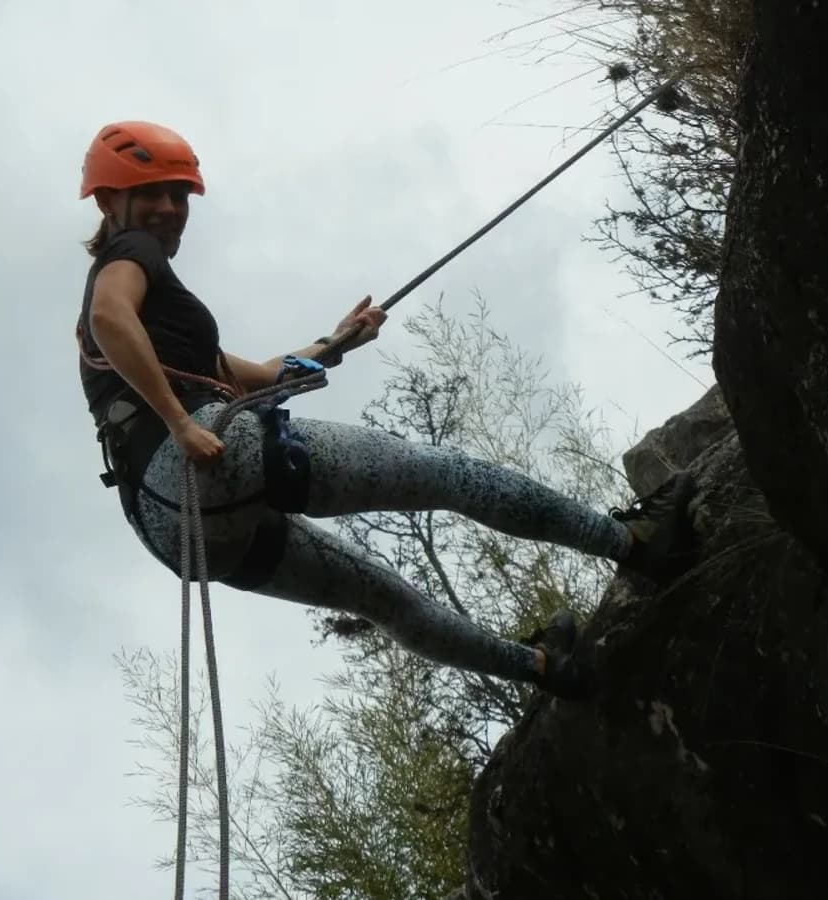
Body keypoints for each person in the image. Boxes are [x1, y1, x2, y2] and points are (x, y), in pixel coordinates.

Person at [75, 120, 698, 701]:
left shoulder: (164, 334)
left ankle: (546, 670)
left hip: (174, 527)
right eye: (150, 193)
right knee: (444, 475)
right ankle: (638, 544)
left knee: (378, 594)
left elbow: (261, 376)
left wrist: (336, 341)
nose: (169, 209)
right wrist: (182, 424)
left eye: (179, 196)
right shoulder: (129, 255)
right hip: (203, 458)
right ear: (109, 204)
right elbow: (110, 317)